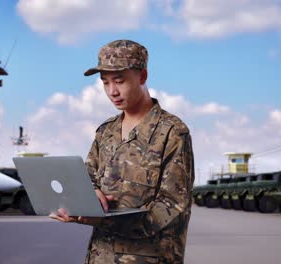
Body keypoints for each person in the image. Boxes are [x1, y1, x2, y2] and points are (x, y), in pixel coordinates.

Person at [51, 39, 195, 263]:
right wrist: (82, 200)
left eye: (119, 81)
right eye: (105, 82)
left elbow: (172, 206)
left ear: (143, 77)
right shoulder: (106, 132)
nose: (112, 91)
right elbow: (87, 177)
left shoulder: (173, 133)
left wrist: (101, 220)